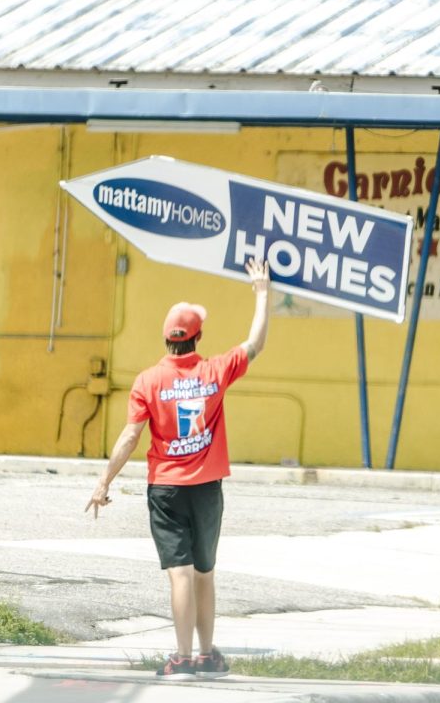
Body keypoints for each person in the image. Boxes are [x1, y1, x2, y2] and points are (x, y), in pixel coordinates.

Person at [86, 258, 271, 680]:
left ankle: (182, 658)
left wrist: (103, 482)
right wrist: (261, 291)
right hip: (207, 488)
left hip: (166, 489)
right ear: (197, 337)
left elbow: (130, 437)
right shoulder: (215, 371)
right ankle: (207, 655)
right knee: (205, 572)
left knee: (180, 574)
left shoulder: (148, 381)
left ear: (167, 339)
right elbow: (254, 343)